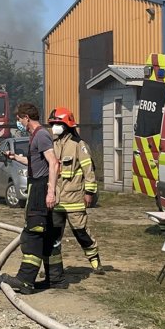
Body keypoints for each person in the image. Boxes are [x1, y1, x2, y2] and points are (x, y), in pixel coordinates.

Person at [1, 102, 64, 294]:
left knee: (32, 235)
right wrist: (14, 157)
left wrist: (50, 191)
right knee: (48, 235)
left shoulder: (42, 135)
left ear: (26, 118)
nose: (18, 122)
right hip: (38, 186)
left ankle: (25, 280)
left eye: (19, 119)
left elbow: (53, 163)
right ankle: (55, 278)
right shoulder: (35, 136)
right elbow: (35, 162)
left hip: (40, 189)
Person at [47, 107, 105, 274]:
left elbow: (89, 170)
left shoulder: (79, 145)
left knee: (81, 232)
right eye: (53, 123)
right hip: (57, 200)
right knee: (54, 236)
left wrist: (89, 193)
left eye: (58, 123)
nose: (54, 127)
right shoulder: (52, 144)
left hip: (74, 198)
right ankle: (55, 269)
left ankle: (95, 261)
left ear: (66, 125)